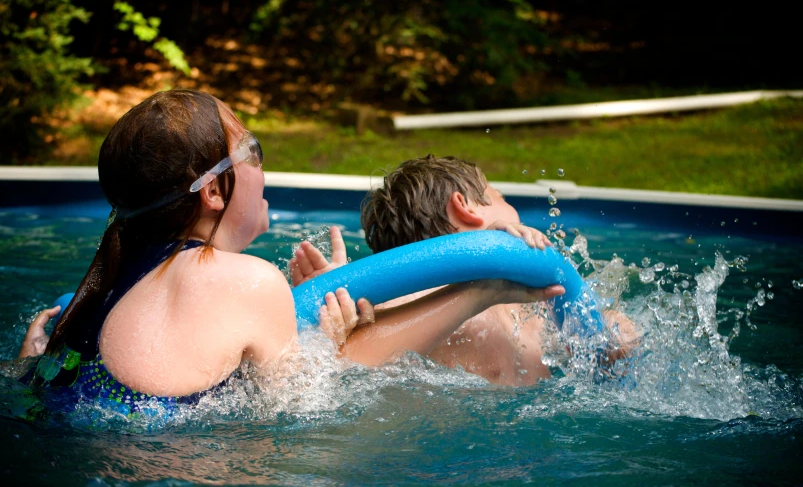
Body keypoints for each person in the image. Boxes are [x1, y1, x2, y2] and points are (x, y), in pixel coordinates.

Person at [19, 90, 561, 413]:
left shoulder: (92, 295)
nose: (262, 163)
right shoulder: (244, 280)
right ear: (212, 191)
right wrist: (483, 289)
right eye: (250, 149)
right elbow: (304, 410)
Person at [292, 155, 639, 386]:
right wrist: (340, 306)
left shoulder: (524, 308)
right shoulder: (415, 299)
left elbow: (606, 349)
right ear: (464, 207)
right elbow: (337, 374)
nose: (512, 211)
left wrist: (614, 327)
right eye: (502, 197)